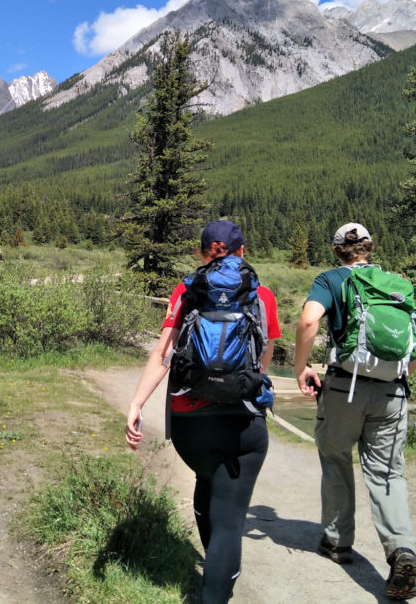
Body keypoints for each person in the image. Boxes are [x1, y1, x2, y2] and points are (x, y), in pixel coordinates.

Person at [125, 219, 281, 604]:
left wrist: (136, 403)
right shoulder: (262, 294)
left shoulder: (185, 289)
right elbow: (263, 360)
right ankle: (216, 587)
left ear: (201, 252)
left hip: (189, 424)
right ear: (242, 251)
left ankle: (216, 567)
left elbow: (163, 354)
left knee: (206, 479)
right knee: (229, 519)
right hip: (242, 422)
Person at [293, 223, 416, 601]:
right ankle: (401, 550)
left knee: (335, 459)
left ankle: (337, 542)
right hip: (392, 391)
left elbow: (309, 320)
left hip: (344, 387)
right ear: (370, 248)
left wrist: (302, 367)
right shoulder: (395, 283)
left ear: (337, 251)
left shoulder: (330, 280)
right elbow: (411, 349)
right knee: (387, 474)